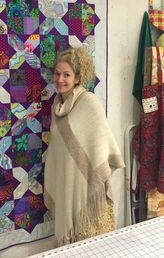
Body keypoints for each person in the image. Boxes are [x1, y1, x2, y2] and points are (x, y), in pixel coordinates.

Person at [44, 46, 125, 246]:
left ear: (78, 78)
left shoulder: (89, 102)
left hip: (91, 201)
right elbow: (60, 154)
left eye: (66, 75)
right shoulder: (56, 107)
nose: (60, 79)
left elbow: (100, 148)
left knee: (94, 249)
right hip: (67, 186)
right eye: (57, 73)